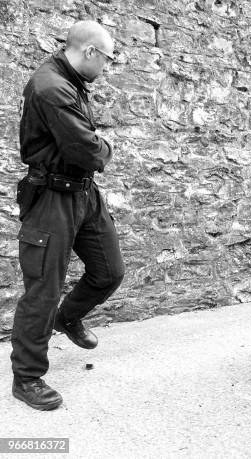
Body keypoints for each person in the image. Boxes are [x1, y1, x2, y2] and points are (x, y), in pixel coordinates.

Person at [11, 20, 124, 411]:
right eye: (107, 58)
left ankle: (69, 317)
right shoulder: (52, 87)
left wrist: (96, 147)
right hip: (52, 199)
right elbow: (90, 152)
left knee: (109, 271)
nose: (107, 66)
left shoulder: (70, 80)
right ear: (89, 51)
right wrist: (106, 145)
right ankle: (27, 377)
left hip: (83, 193)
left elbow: (85, 150)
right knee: (42, 290)